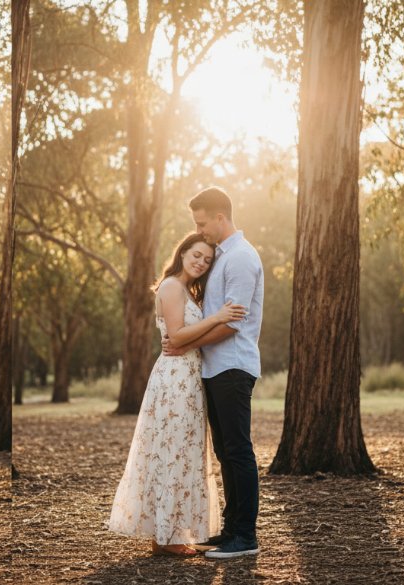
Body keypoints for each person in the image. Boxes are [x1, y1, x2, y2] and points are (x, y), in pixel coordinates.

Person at [108, 232, 247, 556]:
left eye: (207, 260)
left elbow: (185, 337)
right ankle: (165, 537)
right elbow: (176, 335)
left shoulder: (186, 289)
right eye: (196, 255)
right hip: (174, 381)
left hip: (189, 378)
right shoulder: (171, 286)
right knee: (171, 451)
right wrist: (217, 317)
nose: (201, 262)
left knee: (182, 452)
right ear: (183, 252)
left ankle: (170, 534)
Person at [164, 186, 264, 559]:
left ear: (220, 217)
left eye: (203, 224)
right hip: (215, 368)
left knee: (238, 451)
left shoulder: (240, 258)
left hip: (233, 366)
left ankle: (246, 536)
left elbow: (233, 324)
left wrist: (185, 345)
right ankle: (231, 528)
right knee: (225, 450)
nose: (200, 231)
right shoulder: (221, 257)